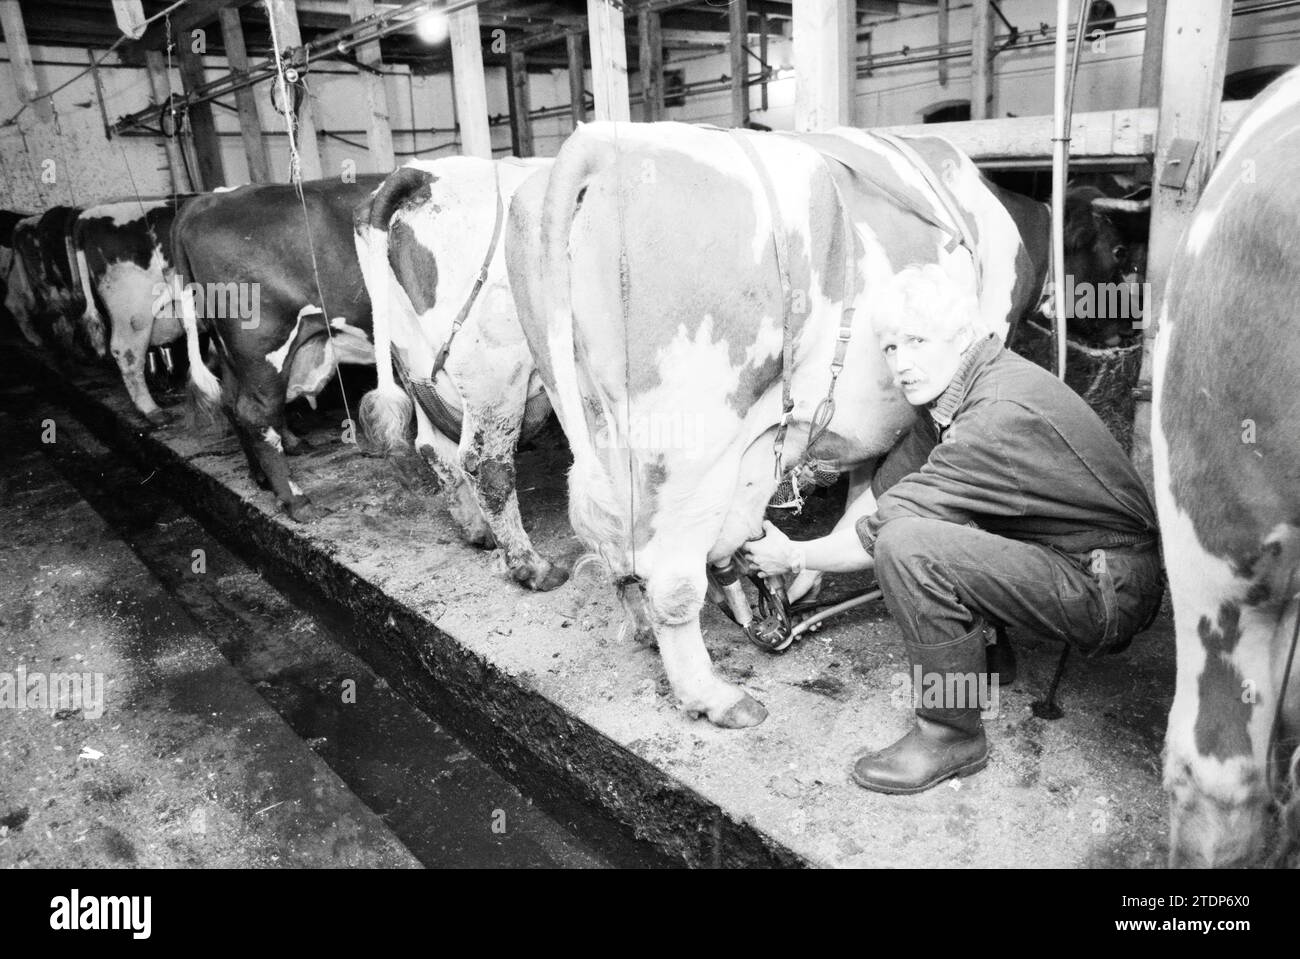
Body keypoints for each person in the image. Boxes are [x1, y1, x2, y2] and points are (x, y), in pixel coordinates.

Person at [742, 263, 1163, 794]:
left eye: (917, 340)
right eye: (891, 348)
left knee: (908, 545)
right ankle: (986, 657)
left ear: (963, 335)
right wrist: (819, 559)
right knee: (935, 519)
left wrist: (797, 557)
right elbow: (886, 493)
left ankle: (951, 733)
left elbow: (887, 526)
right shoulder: (954, 393)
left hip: (1107, 586)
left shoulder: (995, 415)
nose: (902, 364)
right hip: (1071, 557)